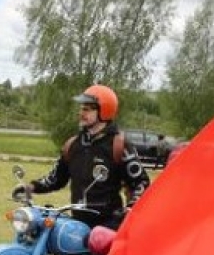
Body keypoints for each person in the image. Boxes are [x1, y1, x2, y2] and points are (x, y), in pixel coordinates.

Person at [15, 84, 151, 230]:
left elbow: (141, 183)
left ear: (103, 111)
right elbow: (55, 179)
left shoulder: (119, 145)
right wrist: (31, 187)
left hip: (107, 226)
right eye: (81, 108)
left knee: (97, 246)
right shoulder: (73, 144)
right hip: (77, 224)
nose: (81, 112)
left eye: (87, 109)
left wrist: (130, 209)